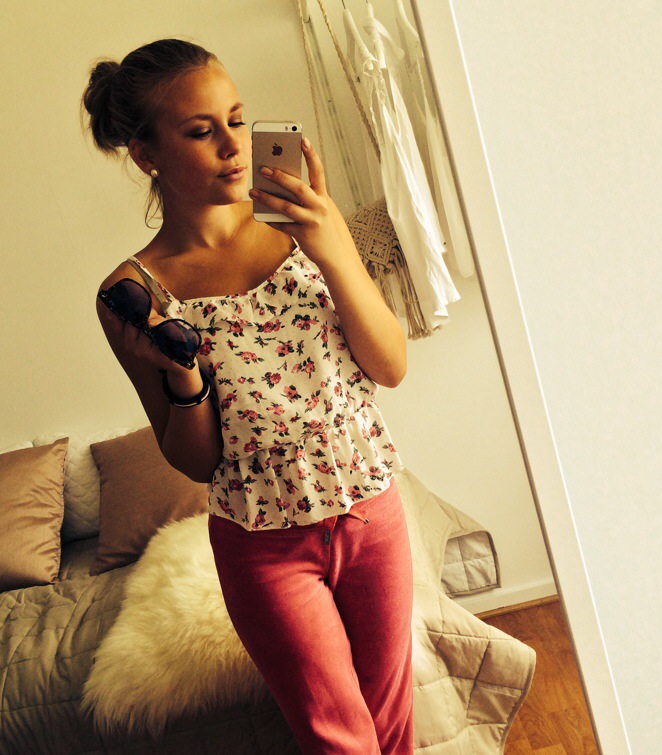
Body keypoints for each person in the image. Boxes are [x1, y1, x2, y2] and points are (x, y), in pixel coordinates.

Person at [82, 38, 414, 754]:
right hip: (263, 543)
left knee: (391, 726)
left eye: (236, 119)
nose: (233, 146)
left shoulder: (306, 222)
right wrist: (182, 375)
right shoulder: (133, 293)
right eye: (200, 131)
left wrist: (330, 247)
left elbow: (389, 366)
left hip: (370, 504)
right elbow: (198, 461)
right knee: (338, 739)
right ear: (146, 154)